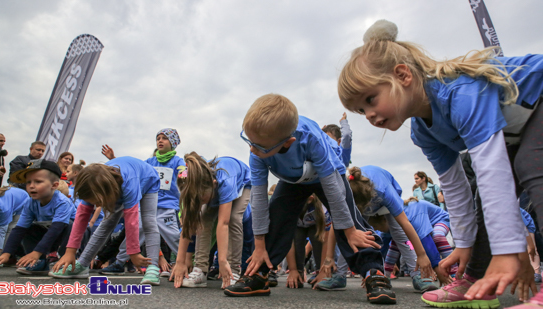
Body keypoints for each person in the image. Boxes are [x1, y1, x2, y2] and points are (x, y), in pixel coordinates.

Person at [337, 19, 538, 306]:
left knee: (532, 169)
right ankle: (474, 280)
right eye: (360, 110)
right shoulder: (422, 131)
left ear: (403, 75)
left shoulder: (460, 94)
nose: (368, 114)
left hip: (537, 106)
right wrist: (465, 245)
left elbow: (492, 172)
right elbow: (456, 189)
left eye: (371, 99)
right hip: (517, 133)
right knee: (483, 200)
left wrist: (508, 252)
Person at [224, 94, 396, 305]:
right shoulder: (257, 151)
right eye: (249, 142)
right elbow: (259, 199)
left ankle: (373, 272)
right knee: (276, 214)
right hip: (293, 179)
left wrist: (350, 230)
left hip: (329, 174)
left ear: (288, 142)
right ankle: (259, 273)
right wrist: (259, 244)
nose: (252, 150)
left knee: (348, 221)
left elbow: (333, 192)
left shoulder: (310, 138)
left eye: (260, 147)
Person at [48, 156, 162, 286]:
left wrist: (134, 253)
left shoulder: (129, 184)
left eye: (97, 202)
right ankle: (82, 264)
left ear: (107, 194)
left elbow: (131, 221)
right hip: (115, 185)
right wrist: (70, 252)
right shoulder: (89, 184)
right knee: (107, 223)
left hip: (147, 179)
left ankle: (153, 267)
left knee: (148, 221)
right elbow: (81, 219)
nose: (96, 206)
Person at [98, 129, 185, 276]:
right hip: (148, 205)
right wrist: (114, 158)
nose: (160, 141)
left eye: (165, 138)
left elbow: (184, 170)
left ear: (173, 143)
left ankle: (189, 261)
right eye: (158, 138)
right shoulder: (150, 161)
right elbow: (134, 169)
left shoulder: (177, 161)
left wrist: (184, 175)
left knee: (174, 236)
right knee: (135, 233)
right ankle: (119, 263)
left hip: (167, 206)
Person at [347, 166, 439, 292]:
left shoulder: (384, 191)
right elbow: (340, 226)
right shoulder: (347, 192)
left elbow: (405, 223)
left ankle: (418, 274)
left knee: (400, 234)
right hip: (361, 198)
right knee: (352, 233)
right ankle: (339, 274)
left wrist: (421, 255)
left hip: (382, 194)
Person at [171, 153, 251, 290]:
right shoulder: (191, 184)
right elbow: (188, 226)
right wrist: (180, 262)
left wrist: (222, 260)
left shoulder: (225, 182)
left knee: (233, 218)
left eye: (201, 200)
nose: (199, 203)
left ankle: (233, 271)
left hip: (242, 183)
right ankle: (200, 270)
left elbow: (223, 224)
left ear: (213, 185)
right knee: (204, 219)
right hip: (211, 188)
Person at [0, 159, 76, 275]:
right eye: (28, 182)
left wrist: (36, 252)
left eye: (38, 182)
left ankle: (68, 260)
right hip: (49, 236)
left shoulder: (62, 202)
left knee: (70, 225)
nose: (31, 186)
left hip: (72, 240)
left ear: (54, 185)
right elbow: (19, 229)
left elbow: (56, 229)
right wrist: (6, 253)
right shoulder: (30, 202)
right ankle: (40, 262)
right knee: (28, 228)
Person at [285, 194, 331, 289]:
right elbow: (287, 241)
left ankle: (320, 271)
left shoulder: (323, 209)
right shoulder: (287, 206)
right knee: (297, 239)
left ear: (310, 199)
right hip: (297, 227)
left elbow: (327, 240)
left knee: (318, 238)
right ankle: (299, 272)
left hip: (316, 225)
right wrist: (292, 269)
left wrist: (323, 271)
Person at [0, 186, 30, 264]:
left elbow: (2, 231)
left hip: (22, 202)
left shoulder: (3, 208)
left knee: (10, 229)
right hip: (11, 198)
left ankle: (2, 256)